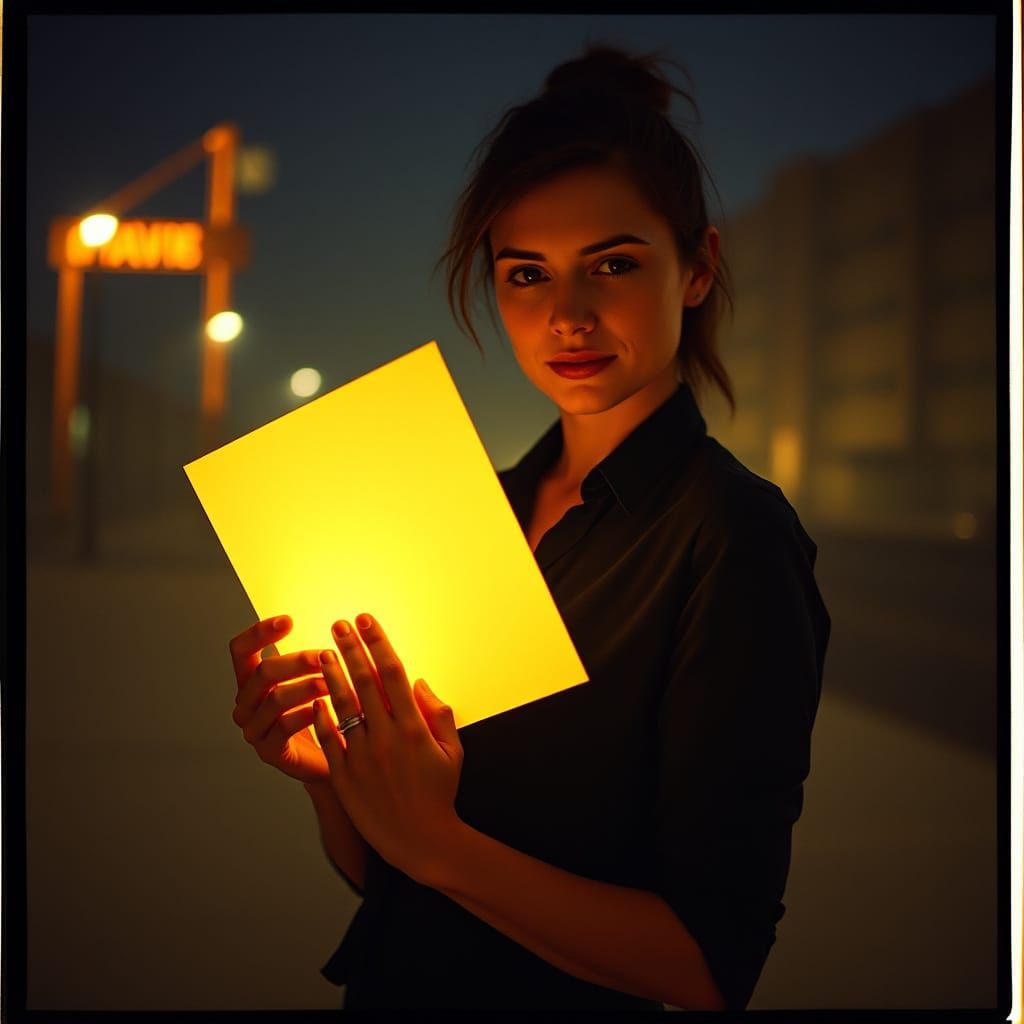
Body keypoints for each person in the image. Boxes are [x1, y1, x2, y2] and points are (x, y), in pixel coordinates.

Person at [227, 43, 831, 1011]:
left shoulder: (731, 536)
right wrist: (333, 779)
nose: (567, 316)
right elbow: (394, 884)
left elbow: (708, 966)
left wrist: (439, 843)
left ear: (697, 268)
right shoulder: (479, 507)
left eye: (613, 264)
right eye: (526, 275)